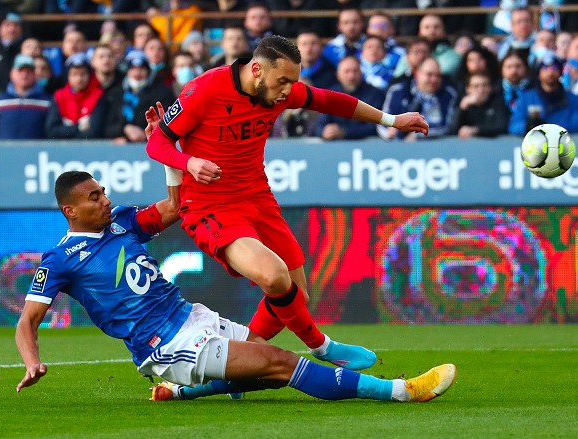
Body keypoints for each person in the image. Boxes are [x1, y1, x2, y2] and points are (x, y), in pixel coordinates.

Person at [15, 112, 456, 401]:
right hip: (164, 344)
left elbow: (175, 206)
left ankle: (181, 393)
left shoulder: (123, 222)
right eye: (94, 197)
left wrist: (170, 152)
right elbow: (27, 322)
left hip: (192, 317)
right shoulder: (59, 260)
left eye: (103, 191)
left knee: (266, 369)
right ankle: (400, 391)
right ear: (70, 210)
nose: (105, 199)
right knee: (282, 363)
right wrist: (32, 362)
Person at [146, 35, 429, 370]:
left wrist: (391, 120)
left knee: (296, 295)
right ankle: (322, 346)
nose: (287, 90)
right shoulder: (204, 90)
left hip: (258, 198)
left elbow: (330, 101)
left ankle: (237, 368)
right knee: (275, 277)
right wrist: (189, 162)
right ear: (256, 70)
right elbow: (158, 142)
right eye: (282, 81)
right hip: (210, 206)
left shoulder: (280, 90)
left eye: (292, 81)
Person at [379, 57, 457, 141]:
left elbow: (446, 126)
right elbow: (382, 120)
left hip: (435, 146)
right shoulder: (397, 91)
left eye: (438, 75)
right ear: (417, 74)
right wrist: (389, 132)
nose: (434, 80)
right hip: (395, 145)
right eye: (429, 74)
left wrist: (417, 135)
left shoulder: (448, 94)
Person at [316, 56, 385, 141]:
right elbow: (319, 125)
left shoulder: (375, 95)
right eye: (347, 72)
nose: (351, 76)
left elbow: (376, 127)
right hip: (335, 146)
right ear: (338, 75)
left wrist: (345, 132)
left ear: (361, 73)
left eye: (355, 71)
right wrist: (324, 132)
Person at [509, 52, 578, 135]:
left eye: (554, 68)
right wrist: (528, 126)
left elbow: (576, 125)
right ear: (538, 73)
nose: (550, 72)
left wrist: (547, 128)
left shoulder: (573, 99)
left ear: (560, 72)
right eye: (545, 68)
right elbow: (513, 126)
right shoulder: (526, 98)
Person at [0, 54, 51, 140]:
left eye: (29, 71)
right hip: (5, 149)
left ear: (34, 74)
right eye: (20, 70)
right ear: (12, 74)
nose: (25, 74)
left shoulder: (47, 102)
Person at [450, 71, 509, 139]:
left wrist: (476, 130)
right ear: (467, 89)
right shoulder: (464, 104)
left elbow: (501, 127)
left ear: (490, 88)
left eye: (485, 85)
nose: (481, 90)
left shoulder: (498, 102)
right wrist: (462, 108)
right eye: (476, 86)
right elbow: (452, 131)